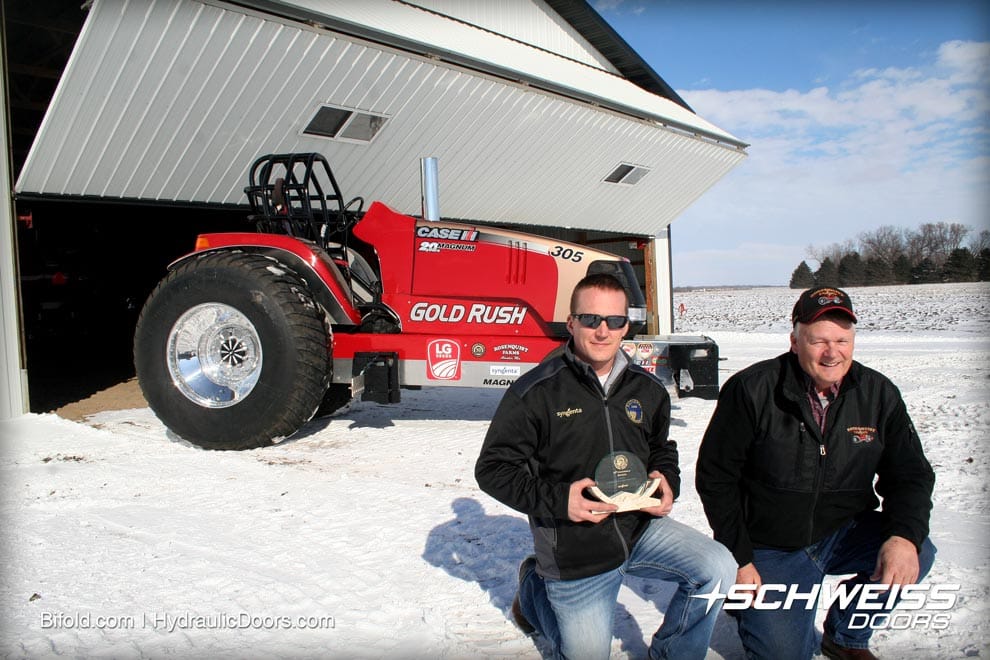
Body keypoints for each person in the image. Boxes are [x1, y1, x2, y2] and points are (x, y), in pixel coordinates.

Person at [475, 273, 737, 660]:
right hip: (575, 546)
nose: (602, 331)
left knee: (717, 567)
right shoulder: (536, 392)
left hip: (638, 529)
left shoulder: (646, 389)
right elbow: (493, 469)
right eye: (590, 319)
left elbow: (661, 447)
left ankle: (673, 653)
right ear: (571, 323)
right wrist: (562, 500)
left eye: (614, 321)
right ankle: (534, 590)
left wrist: (667, 482)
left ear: (626, 326)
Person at [695, 286, 936, 660]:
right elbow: (716, 477)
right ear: (794, 341)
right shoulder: (752, 389)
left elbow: (910, 475)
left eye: (842, 339)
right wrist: (739, 559)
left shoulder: (878, 393)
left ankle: (845, 635)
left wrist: (903, 536)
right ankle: (749, 604)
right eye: (818, 340)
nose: (831, 352)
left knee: (916, 549)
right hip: (771, 545)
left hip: (844, 532)